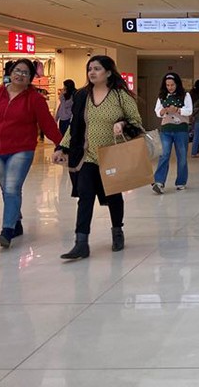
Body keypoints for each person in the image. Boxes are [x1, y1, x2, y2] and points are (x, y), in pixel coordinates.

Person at [53, 55, 143, 260]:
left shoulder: (121, 96)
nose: (92, 72)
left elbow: (136, 122)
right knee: (85, 196)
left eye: (97, 69)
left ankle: (117, 230)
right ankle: (81, 243)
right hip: (88, 155)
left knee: (113, 196)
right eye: (90, 69)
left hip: (112, 155)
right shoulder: (83, 95)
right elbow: (75, 126)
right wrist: (61, 147)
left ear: (109, 72)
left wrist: (122, 125)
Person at [0, 59, 63, 249]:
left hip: (22, 149)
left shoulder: (35, 99)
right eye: (17, 70)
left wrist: (62, 145)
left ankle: (7, 230)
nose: (20, 75)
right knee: (5, 189)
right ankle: (16, 222)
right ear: (11, 72)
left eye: (26, 73)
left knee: (11, 188)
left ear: (31, 78)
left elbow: (48, 125)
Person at [151, 73, 192, 194]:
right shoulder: (162, 96)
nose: (170, 87)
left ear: (177, 84)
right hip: (166, 130)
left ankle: (181, 182)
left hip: (181, 130)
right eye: (167, 85)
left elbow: (189, 110)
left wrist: (178, 110)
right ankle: (159, 181)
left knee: (182, 156)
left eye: (172, 85)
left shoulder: (185, 95)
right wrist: (162, 111)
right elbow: (157, 111)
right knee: (164, 154)